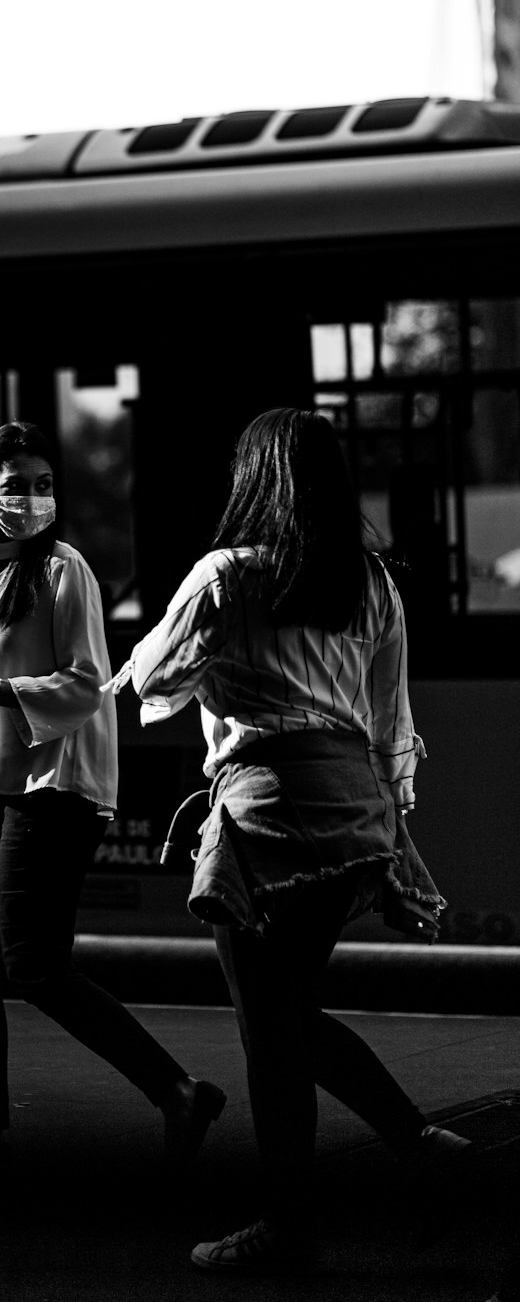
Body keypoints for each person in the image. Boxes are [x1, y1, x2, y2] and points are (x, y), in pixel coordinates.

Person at [112, 407, 470, 1274]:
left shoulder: (228, 576)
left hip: (266, 811)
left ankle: (294, 1223)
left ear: (254, 481)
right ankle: (414, 1146)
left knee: (267, 1030)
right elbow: (392, 727)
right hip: (353, 816)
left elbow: (153, 676)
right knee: (290, 1016)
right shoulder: (373, 582)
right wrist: (393, 824)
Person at [0, 421, 225, 1169]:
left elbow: (86, 684)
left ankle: (178, 1091)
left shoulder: (65, 570)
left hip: (57, 785)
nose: (34, 498)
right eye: (19, 485)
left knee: (33, 963)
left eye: (46, 485)